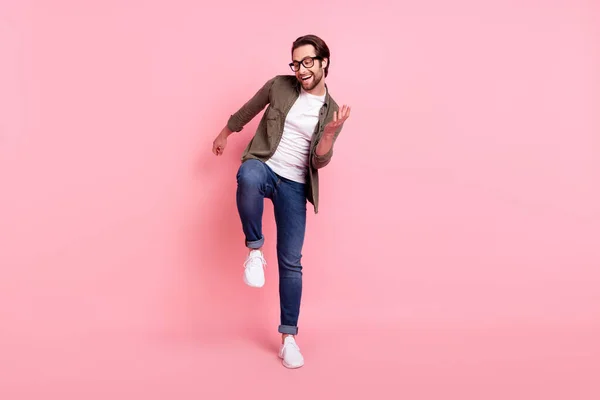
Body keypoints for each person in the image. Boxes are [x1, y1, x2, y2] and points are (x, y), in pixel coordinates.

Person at [211, 34, 350, 369]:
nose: (301, 69)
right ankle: (255, 250)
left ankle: (289, 338)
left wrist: (329, 136)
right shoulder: (279, 86)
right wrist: (225, 133)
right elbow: (250, 108)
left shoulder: (331, 112)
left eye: (307, 62)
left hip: (295, 185)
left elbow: (318, 162)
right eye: (296, 62)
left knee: (291, 262)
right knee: (248, 174)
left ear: (323, 62)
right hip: (267, 165)